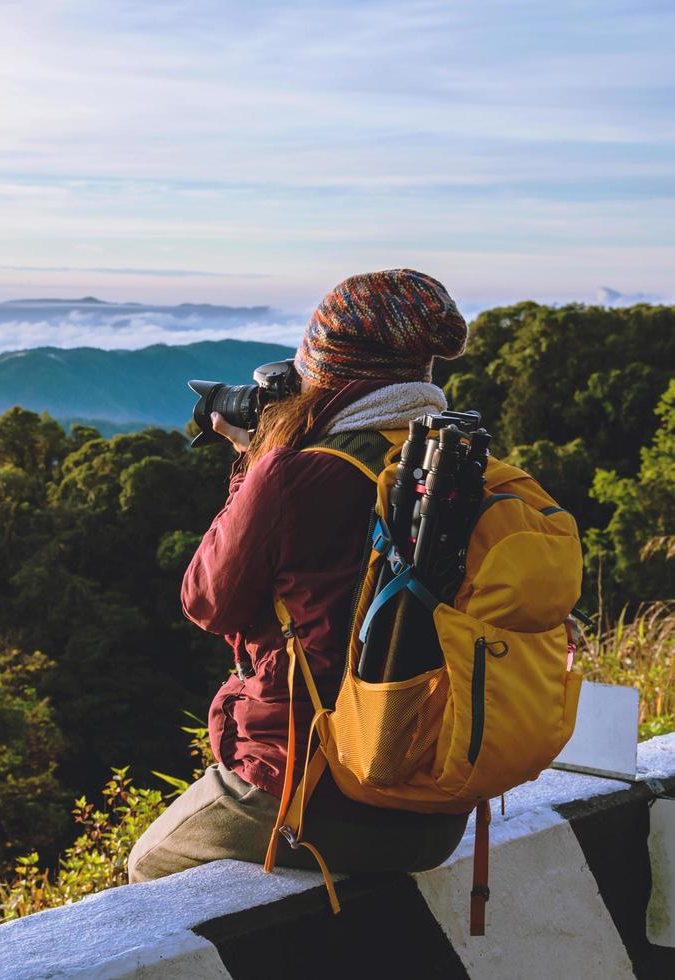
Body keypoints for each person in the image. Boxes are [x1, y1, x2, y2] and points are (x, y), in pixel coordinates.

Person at [128, 269, 472, 883]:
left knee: (153, 863)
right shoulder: (446, 459)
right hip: (435, 801)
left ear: (330, 367)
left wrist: (252, 461)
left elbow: (206, 600)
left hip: (315, 790)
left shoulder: (296, 473)